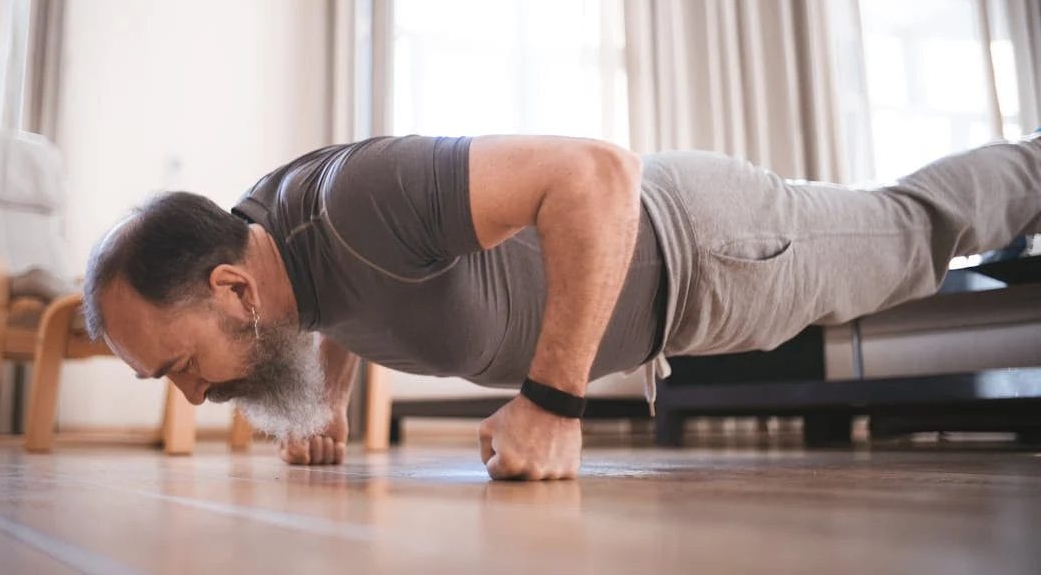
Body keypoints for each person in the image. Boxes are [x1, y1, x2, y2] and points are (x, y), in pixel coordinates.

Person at [82, 132, 1041, 481]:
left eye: (177, 367)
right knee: (919, 236)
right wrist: (327, 395)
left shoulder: (357, 198)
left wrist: (553, 403)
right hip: (690, 286)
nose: (194, 401)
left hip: (713, 250)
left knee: (919, 233)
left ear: (230, 291)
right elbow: (333, 300)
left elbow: (595, 173)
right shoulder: (265, 239)